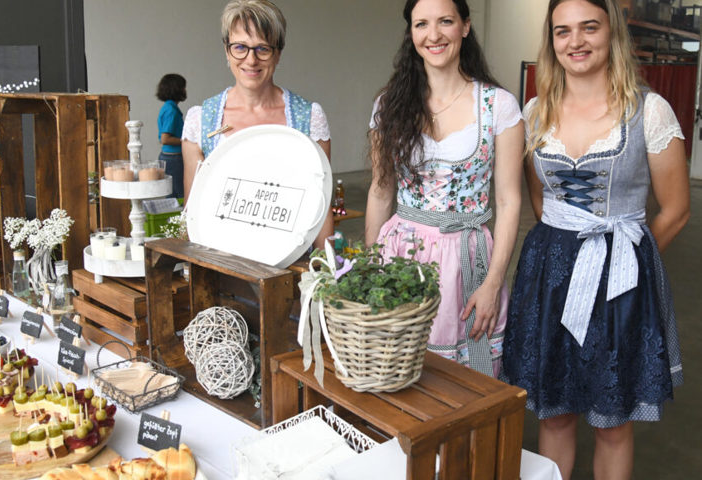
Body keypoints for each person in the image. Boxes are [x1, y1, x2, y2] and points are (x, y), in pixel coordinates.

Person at [501, 1, 689, 479]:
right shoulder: (535, 111)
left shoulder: (649, 110)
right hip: (548, 278)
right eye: (563, 32)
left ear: (613, 33)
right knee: (555, 410)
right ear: (551, 41)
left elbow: (676, 210)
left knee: (612, 420)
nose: (576, 41)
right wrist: (562, 254)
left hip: (620, 283)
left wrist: (626, 265)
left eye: (589, 27)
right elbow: (541, 204)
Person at [365, 0, 524, 378]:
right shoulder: (389, 104)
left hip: (467, 259)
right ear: (411, 33)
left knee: (465, 385)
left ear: (465, 27)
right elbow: (380, 191)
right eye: (422, 24)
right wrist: (371, 266)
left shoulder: (499, 105)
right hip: (401, 255)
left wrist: (494, 281)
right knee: (395, 370)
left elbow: (508, 200)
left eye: (445, 22)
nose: (433, 35)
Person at [181, 0, 334, 248]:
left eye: (263, 49)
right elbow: (194, 210)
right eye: (240, 47)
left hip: (288, 263)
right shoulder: (201, 120)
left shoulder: (308, 117)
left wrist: (323, 275)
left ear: (278, 53)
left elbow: (321, 206)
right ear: (226, 50)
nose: (251, 60)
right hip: (222, 262)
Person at [156, 73, 187, 199]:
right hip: (174, 159)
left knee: (171, 195)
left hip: (168, 158)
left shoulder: (167, 107)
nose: (185, 90)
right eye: (183, 87)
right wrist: (186, 141)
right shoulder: (171, 110)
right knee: (180, 196)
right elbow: (165, 139)